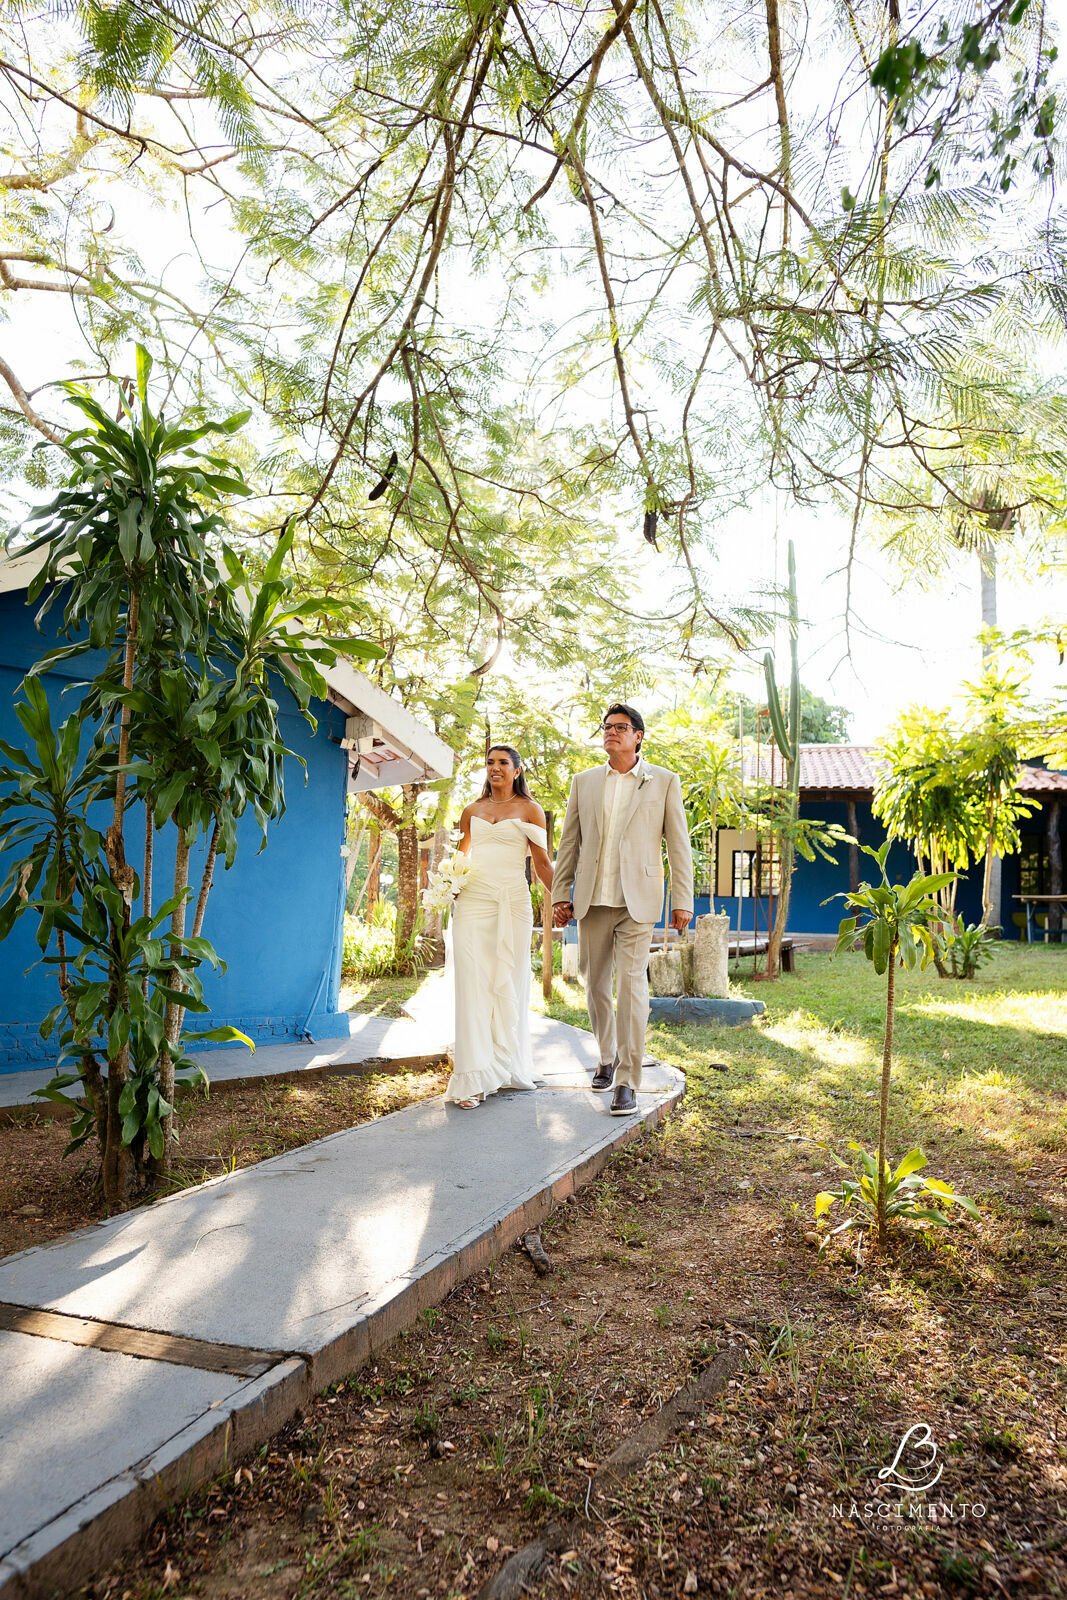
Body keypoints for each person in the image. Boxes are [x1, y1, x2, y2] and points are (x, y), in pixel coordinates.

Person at [552, 703, 693, 1116]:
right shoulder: (584, 782)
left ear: (638, 736)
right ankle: (606, 1055)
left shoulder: (663, 781)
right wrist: (562, 892)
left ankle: (628, 1080)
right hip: (593, 898)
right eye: (607, 727)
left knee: (631, 987)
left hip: (639, 900)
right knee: (594, 985)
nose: (612, 732)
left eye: (621, 727)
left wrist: (683, 900)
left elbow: (678, 844)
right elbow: (569, 843)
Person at [444, 745, 555, 1108]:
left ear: (517, 770)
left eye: (503, 763)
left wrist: (571, 902)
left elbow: (542, 865)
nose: (495, 768)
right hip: (473, 902)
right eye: (490, 762)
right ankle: (473, 1077)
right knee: (472, 986)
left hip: (512, 902)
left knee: (508, 981)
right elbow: (462, 857)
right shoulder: (471, 811)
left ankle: (504, 1064)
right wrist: (449, 887)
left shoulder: (531, 810)